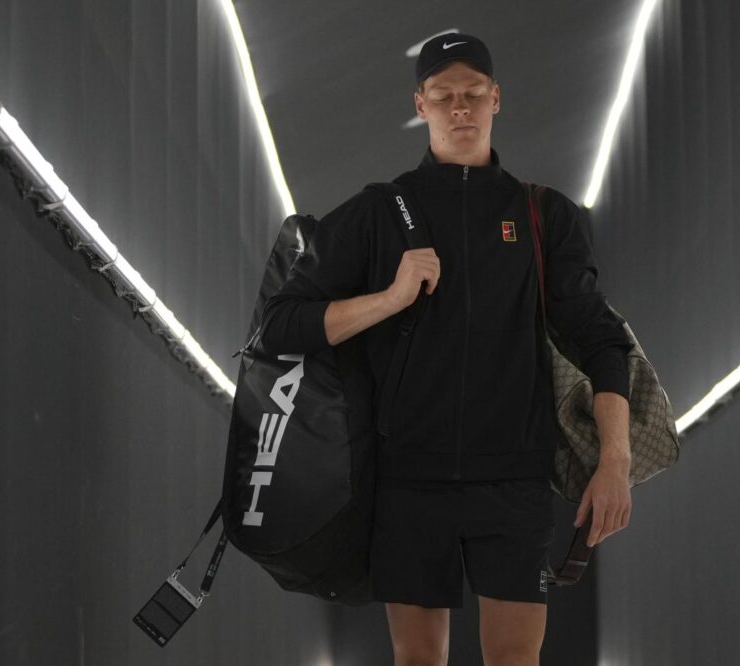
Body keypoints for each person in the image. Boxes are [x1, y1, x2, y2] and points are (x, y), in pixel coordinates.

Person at [260, 32, 633, 666]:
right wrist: (389, 298)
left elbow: (601, 339)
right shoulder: (379, 213)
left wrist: (615, 462)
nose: (459, 107)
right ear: (420, 104)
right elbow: (280, 324)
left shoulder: (543, 215)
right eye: (442, 95)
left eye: (472, 93)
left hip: (514, 481)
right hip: (408, 481)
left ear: (496, 99)